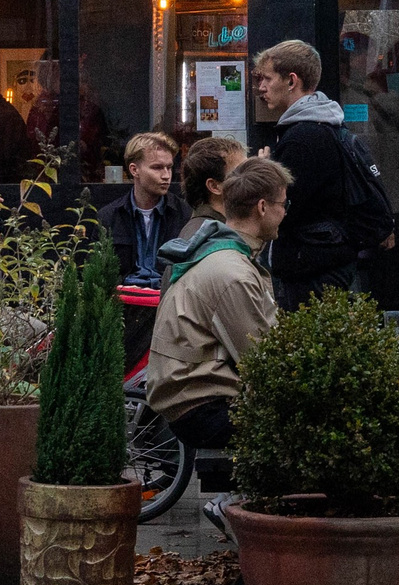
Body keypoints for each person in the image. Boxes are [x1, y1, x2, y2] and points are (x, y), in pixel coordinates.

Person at [144, 158, 287, 474]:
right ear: (262, 207)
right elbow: (264, 359)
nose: (285, 213)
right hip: (203, 407)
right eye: (282, 204)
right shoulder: (231, 271)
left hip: (196, 397)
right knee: (315, 428)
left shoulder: (224, 253)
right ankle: (239, 507)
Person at [253, 39, 392, 312]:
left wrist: (262, 173)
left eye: (267, 79)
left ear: (292, 81)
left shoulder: (303, 138)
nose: (261, 87)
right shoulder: (325, 125)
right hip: (329, 263)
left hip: (310, 269)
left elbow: (283, 208)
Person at [99, 132, 189, 283]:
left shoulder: (185, 214)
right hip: (125, 301)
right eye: (157, 168)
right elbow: (95, 271)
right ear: (134, 170)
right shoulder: (109, 216)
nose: (166, 175)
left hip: (167, 298)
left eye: (169, 167)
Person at [178, 136, 246, 225]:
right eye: (241, 172)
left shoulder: (214, 227)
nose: (251, 177)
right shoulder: (212, 234)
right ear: (214, 186)